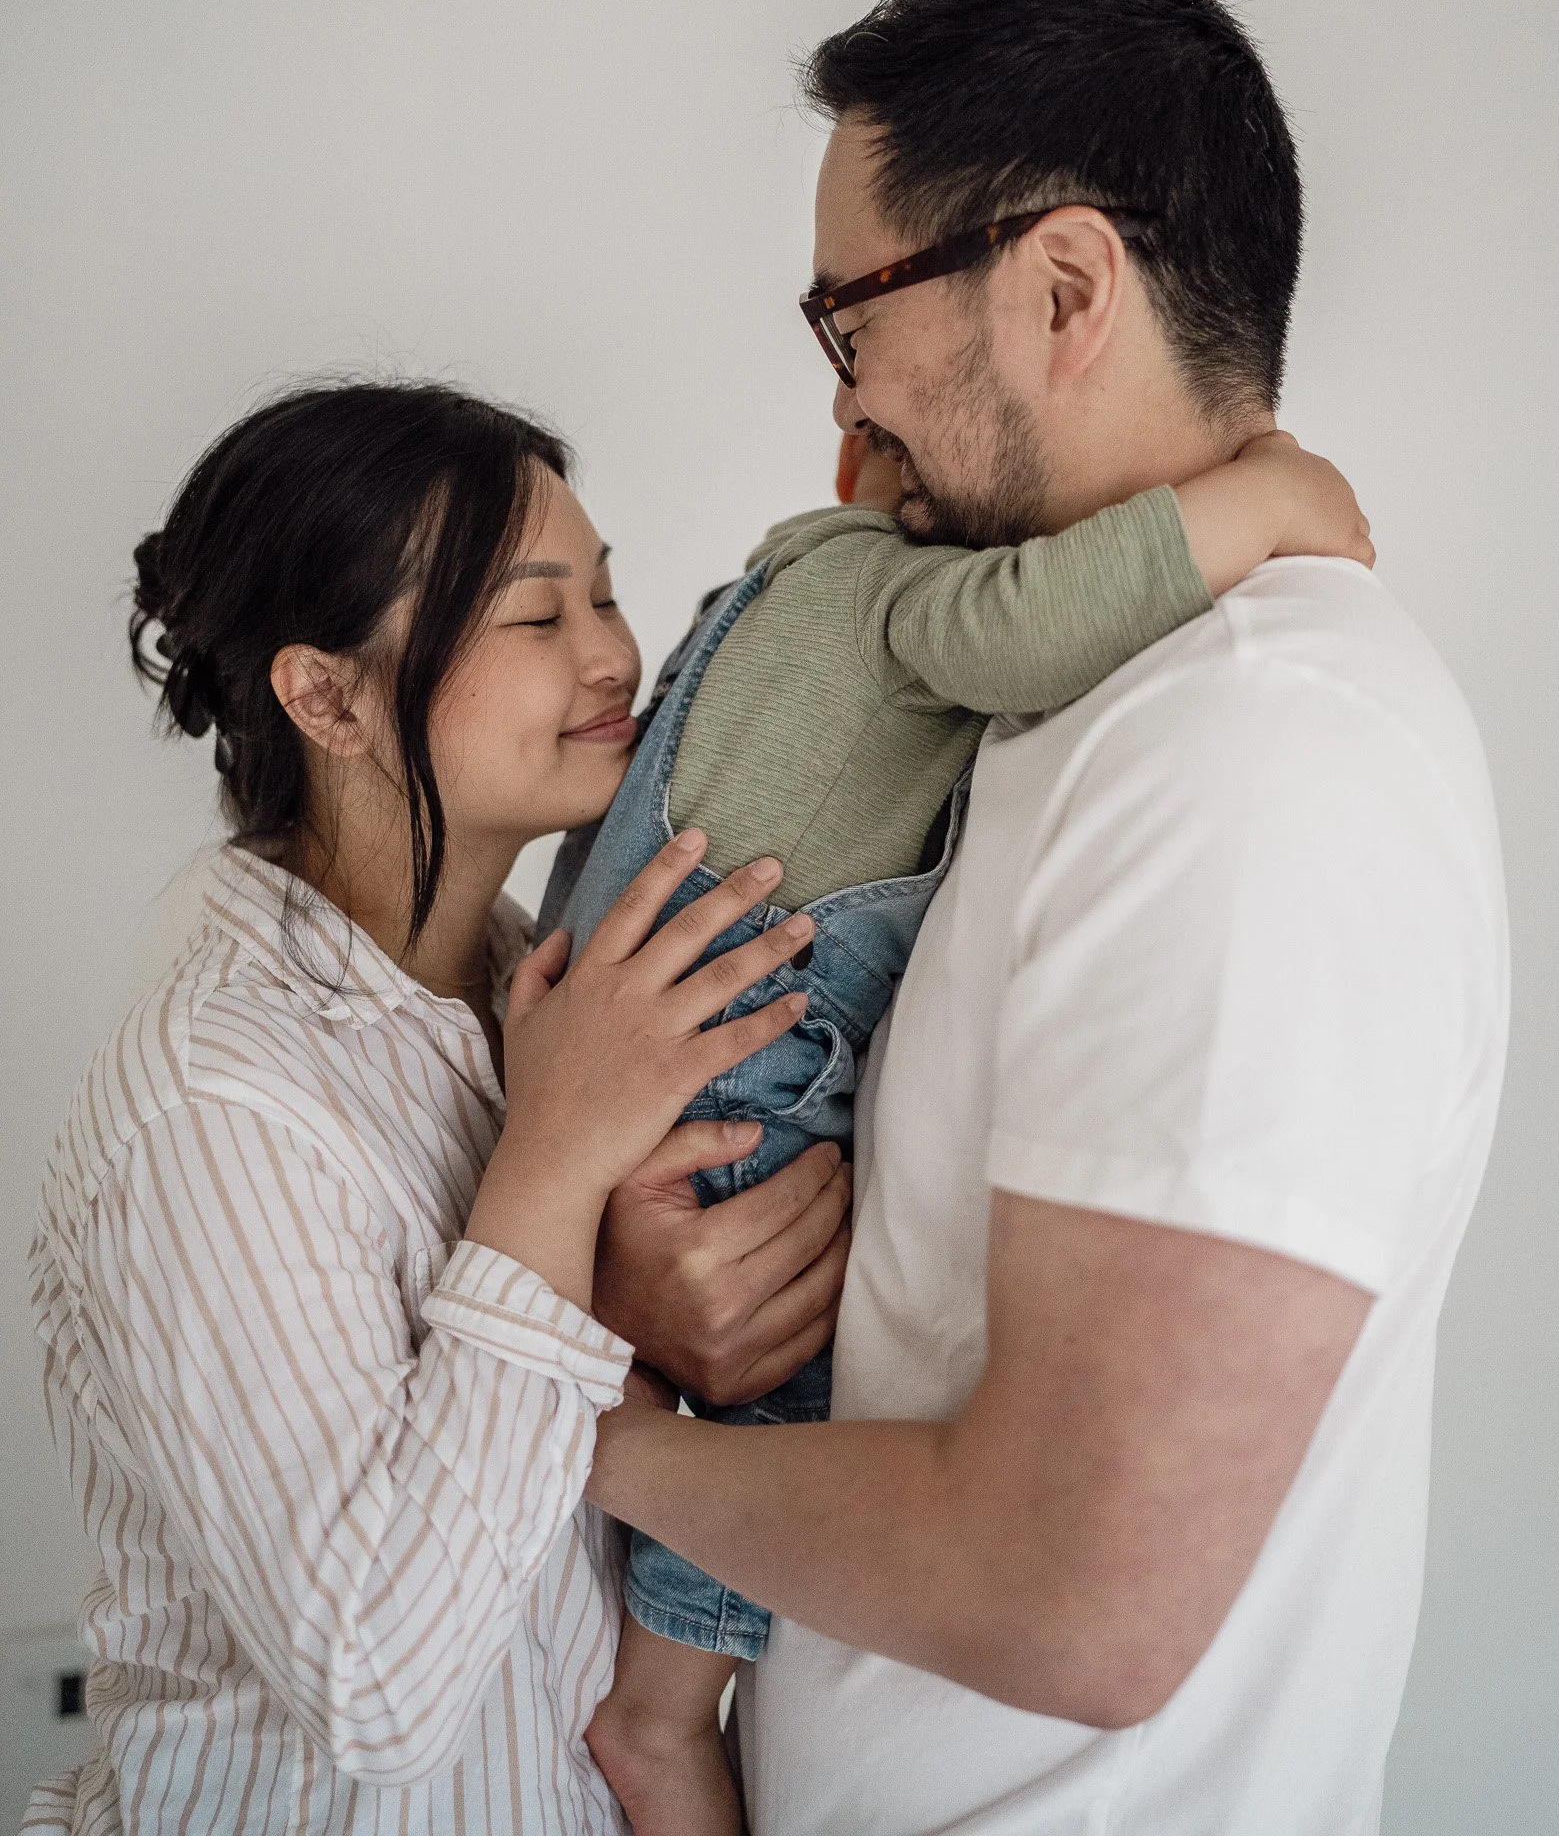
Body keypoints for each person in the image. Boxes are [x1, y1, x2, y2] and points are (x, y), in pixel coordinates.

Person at [582, 0, 1509, 1836]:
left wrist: (570, 1441)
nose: (845, 396)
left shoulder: (1252, 753)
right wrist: (676, 1284)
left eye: (852, 316)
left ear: (1063, 287)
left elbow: (1072, 1597)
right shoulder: (1085, 709)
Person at [25, 380, 855, 1836]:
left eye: (605, 596)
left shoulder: (542, 987)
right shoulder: (214, 1105)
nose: (612, 655)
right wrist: (559, 1172)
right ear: (326, 694)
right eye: (535, 619)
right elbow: (380, 1687)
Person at [567, 414, 1371, 1834]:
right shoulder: (879, 590)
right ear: (876, 481)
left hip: (680, 1039)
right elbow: (1030, 627)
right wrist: (1266, 504)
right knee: (783, 1390)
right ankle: (660, 1716)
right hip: (740, 1060)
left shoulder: (778, 583)